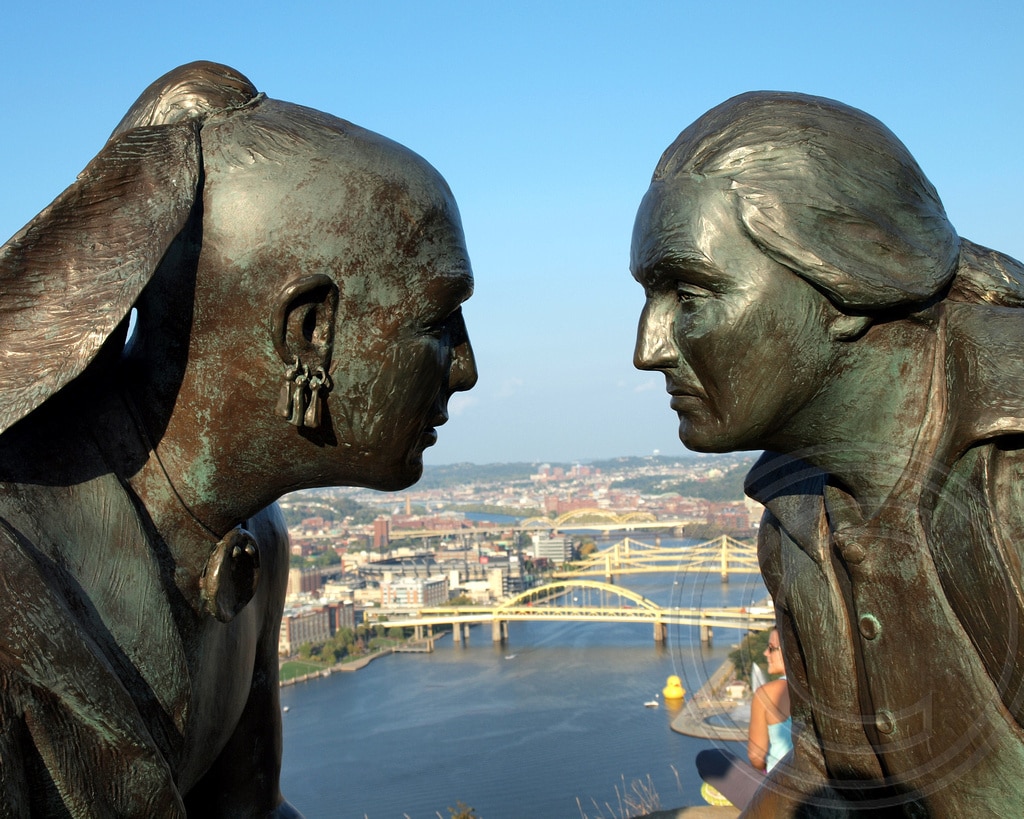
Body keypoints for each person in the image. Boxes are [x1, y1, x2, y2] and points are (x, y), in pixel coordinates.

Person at [0, 62, 476, 816]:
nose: (467, 368)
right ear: (310, 334)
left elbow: (249, 806)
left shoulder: (254, 539)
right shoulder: (13, 584)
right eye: (438, 320)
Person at [632, 91, 1024, 817]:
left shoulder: (1009, 463)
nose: (647, 348)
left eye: (689, 293)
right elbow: (828, 766)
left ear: (843, 283)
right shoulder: (795, 513)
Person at [696, 629, 792, 809]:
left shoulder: (767, 694)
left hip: (780, 800)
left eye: (771, 648)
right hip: (827, 793)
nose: (765, 653)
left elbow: (756, 756)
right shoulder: (826, 690)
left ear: (788, 652)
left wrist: (762, 773)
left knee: (708, 758)